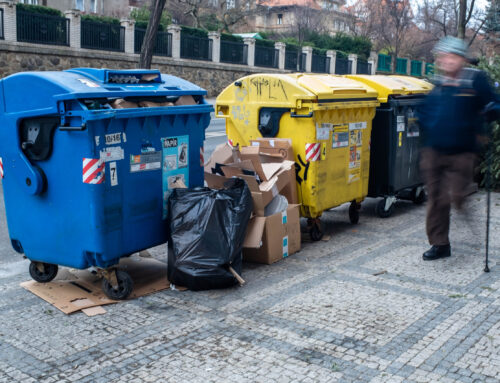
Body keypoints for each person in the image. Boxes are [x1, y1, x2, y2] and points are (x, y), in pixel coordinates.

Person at [418, 36, 498, 261]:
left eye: (451, 56)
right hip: (434, 150)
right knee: (435, 197)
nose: (446, 60)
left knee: (455, 196)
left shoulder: (475, 80)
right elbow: (425, 111)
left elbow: (495, 102)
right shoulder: (437, 82)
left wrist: (492, 110)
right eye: (443, 56)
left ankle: (462, 204)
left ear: (462, 59)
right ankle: (440, 244)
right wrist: (425, 124)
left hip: (463, 151)